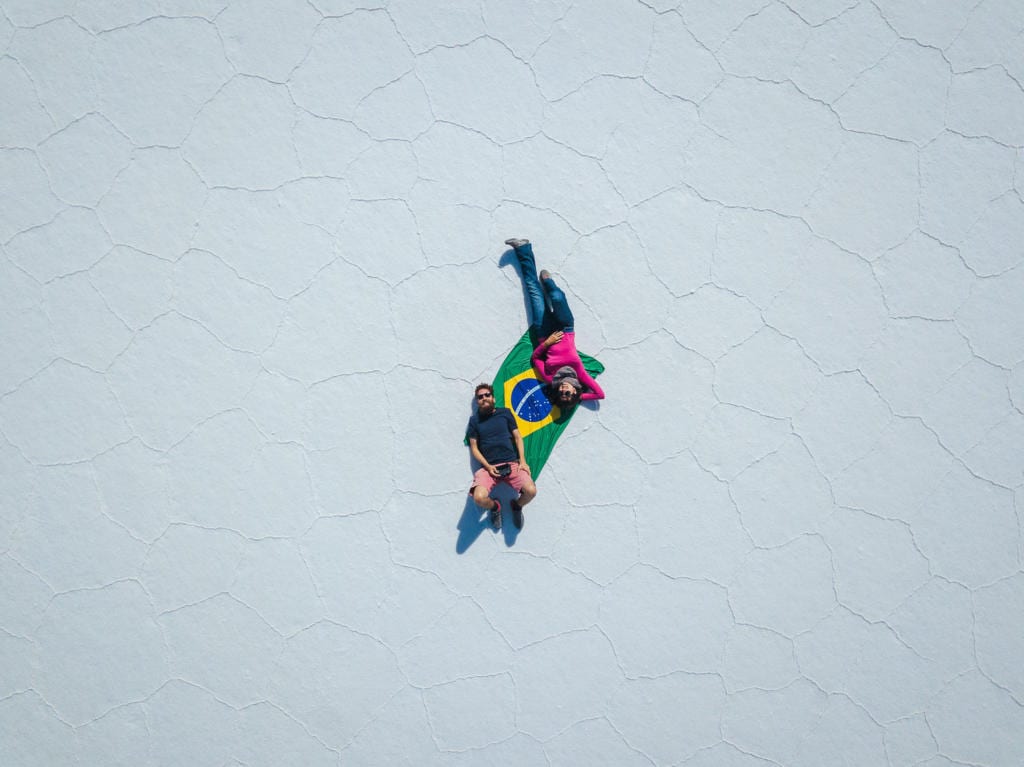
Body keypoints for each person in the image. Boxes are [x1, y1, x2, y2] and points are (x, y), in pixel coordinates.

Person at [505, 238, 605, 407]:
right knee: (557, 297)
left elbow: (535, 359)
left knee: (532, 289)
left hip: (544, 332)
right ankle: (549, 283)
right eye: (568, 394)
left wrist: (546, 344)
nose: (563, 390)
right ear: (574, 391)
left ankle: (523, 249)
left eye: (562, 394)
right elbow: (600, 395)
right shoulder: (579, 374)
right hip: (565, 327)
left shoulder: (550, 378)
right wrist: (580, 397)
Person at [466, 382, 536, 530]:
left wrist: (522, 461)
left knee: (531, 491)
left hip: (512, 464)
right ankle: (495, 507)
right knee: (479, 498)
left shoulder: (505, 413)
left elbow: (517, 437)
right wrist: (488, 466)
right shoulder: (474, 421)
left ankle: (516, 506)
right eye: (480, 397)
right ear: (477, 401)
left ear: (493, 398)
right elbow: (474, 447)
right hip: (488, 469)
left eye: (487, 395)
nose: (484, 398)